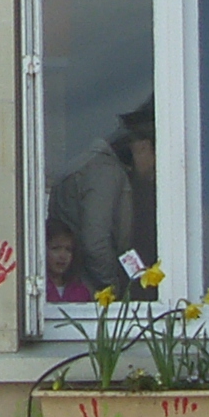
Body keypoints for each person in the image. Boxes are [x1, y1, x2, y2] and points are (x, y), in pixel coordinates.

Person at [49, 100, 157, 297]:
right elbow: (95, 242)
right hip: (88, 293)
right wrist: (114, 289)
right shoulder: (105, 173)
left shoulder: (88, 166)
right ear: (141, 147)